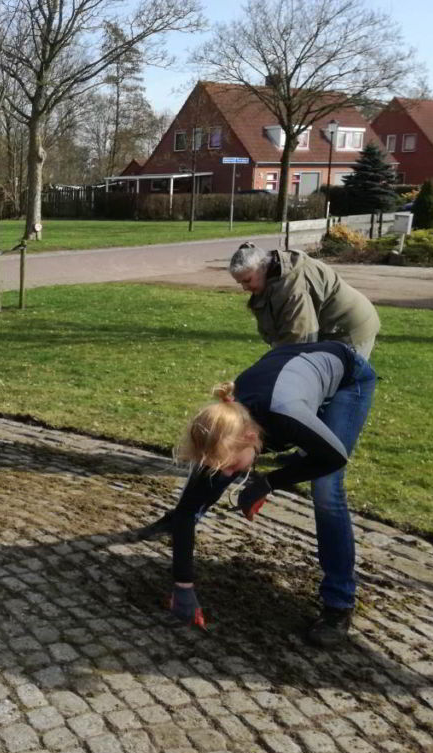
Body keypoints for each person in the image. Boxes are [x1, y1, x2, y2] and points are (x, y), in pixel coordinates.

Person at [133, 341, 377, 647]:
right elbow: (187, 509)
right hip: (288, 374)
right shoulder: (225, 424)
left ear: (252, 438)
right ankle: (182, 533)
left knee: (326, 488)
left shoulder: (285, 416)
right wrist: (183, 586)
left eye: (230, 465)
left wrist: (268, 483)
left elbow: (334, 458)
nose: (227, 473)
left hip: (347, 377)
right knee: (202, 487)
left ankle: (339, 604)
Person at [229, 242, 380, 360]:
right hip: (328, 329)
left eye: (247, 280)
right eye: (240, 283)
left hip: (350, 328)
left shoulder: (293, 289)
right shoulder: (272, 274)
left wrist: (279, 368)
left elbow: (300, 340)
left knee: (342, 383)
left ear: (262, 267)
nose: (245, 288)